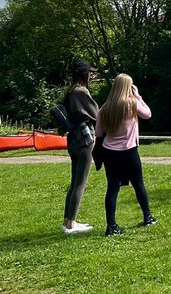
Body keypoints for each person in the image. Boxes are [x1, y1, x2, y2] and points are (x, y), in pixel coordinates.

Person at [98, 74, 156, 236]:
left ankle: (111, 226)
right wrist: (138, 96)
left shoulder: (105, 107)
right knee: (138, 183)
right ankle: (147, 217)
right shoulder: (132, 103)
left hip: (109, 151)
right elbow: (148, 114)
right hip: (129, 151)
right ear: (128, 87)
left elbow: (98, 132)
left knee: (112, 188)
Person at [62, 60, 99, 235]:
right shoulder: (81, 92)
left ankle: (68, 220)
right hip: (84, 139)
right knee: (80, 183)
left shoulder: (70, 91)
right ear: (84, 74)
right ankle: (71, 225)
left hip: (73, 139)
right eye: (90, 72)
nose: (92, 75)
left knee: (74, 182)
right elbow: (95, 114)